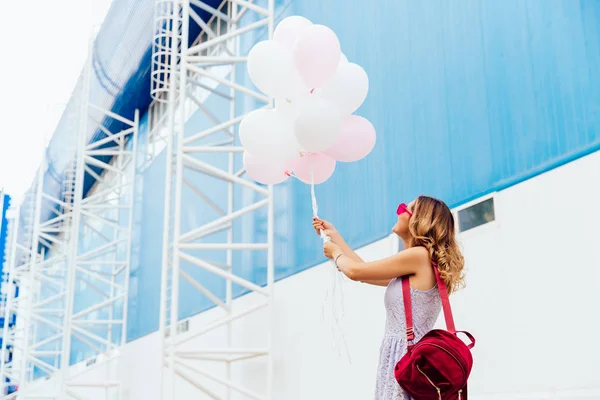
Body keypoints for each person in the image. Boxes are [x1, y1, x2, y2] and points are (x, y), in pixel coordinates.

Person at [313, 195, 465, 400]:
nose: (399, 210)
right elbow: (363, 272)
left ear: (418, 220)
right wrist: (335, 236)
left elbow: (355, 272)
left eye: (405, 207)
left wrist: (335, 253)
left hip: (406, 355)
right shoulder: (416, 262)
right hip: (405, 355)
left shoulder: (418, 256)